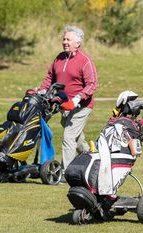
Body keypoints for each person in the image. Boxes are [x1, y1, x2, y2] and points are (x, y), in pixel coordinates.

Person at [38, 25, 98, 183]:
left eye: (68, 39)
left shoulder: (85, 61)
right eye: (64, 39)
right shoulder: (59, 58)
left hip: (82, 107)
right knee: (77, 140)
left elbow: (92, 84)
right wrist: (41, 91)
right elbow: (50, 79)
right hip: (63, 106)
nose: (64, 42)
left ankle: (66, 174)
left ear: (78, 43)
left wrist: (77, 99)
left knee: (68, 137)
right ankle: (92, 155)